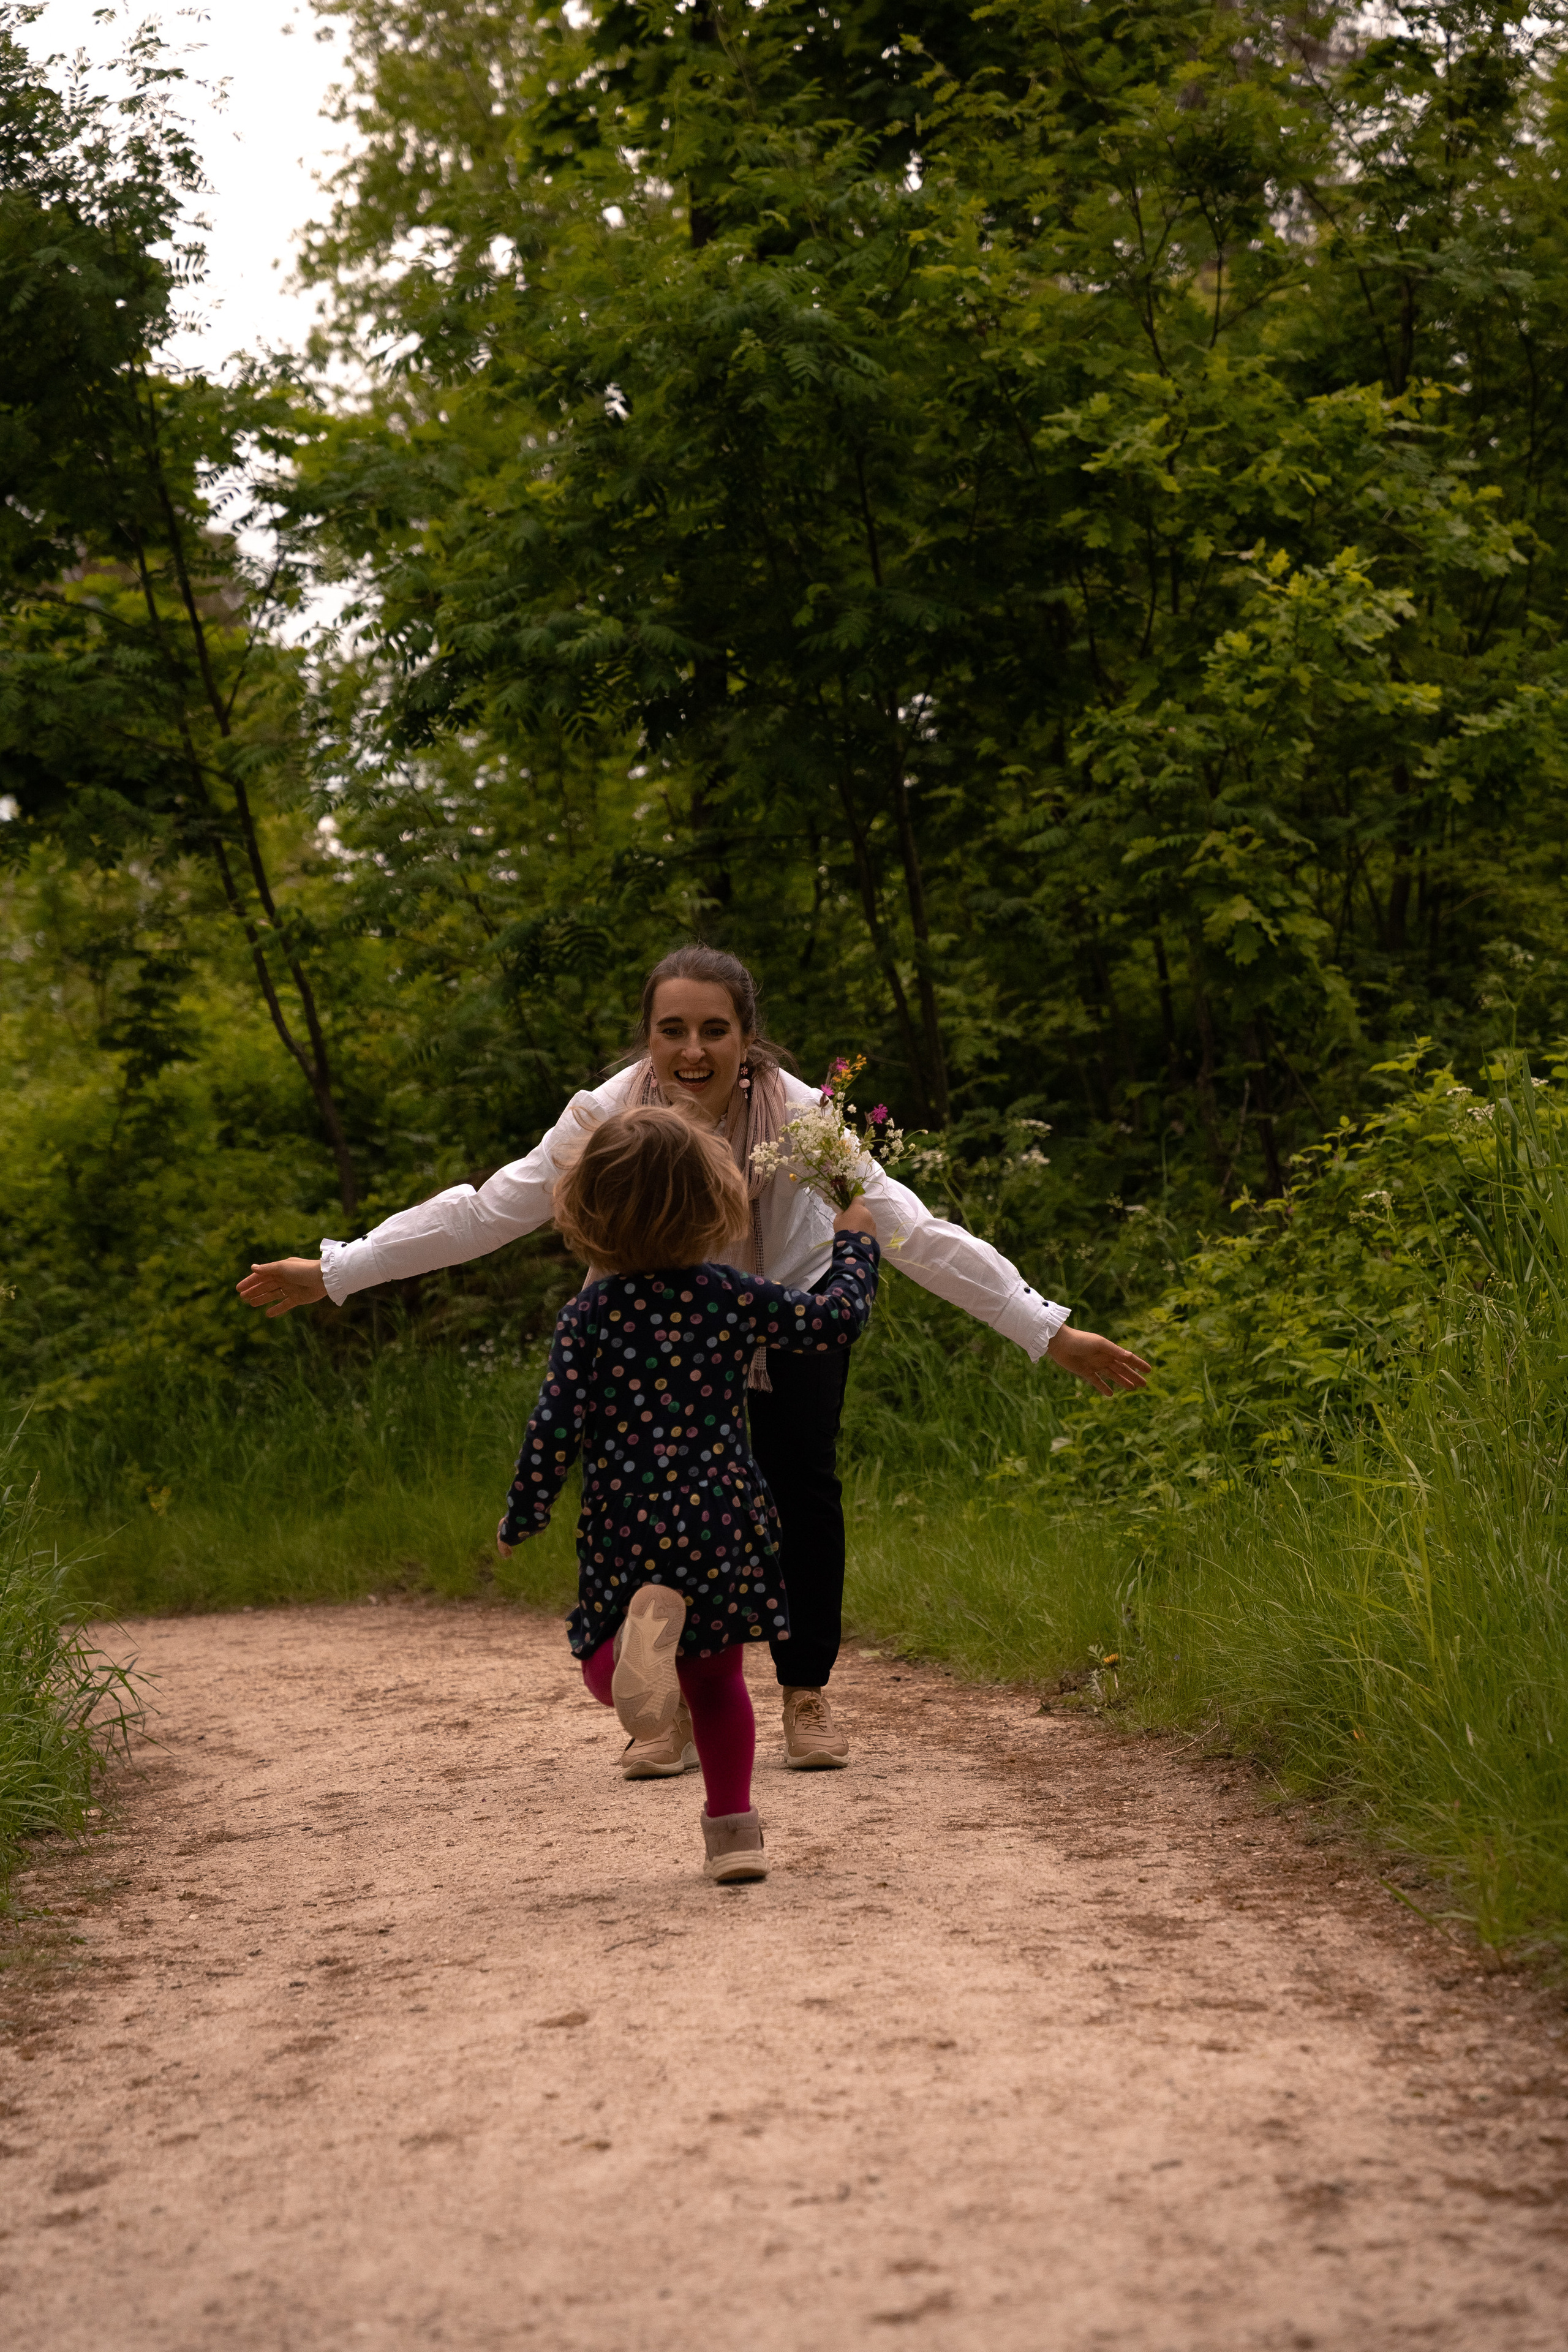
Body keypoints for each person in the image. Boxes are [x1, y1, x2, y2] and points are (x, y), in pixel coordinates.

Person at [236, 944, 1150, 1772]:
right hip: (645, 1324)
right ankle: (660, 1712)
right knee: (642, 1499)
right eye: (672, 1030)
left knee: (801, 1491)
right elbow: (486, 1210)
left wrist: (1046, 1329)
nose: (694, 1050)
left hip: (786, 1309)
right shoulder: (604, 1113)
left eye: (715, 1030)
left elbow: (910, 1228)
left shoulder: (803, 1118)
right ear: (648, 1035)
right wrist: (338, 1270)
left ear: (750, 1038)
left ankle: (805, 1693)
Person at [495, 1101, 879, 1882]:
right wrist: (855, 1244)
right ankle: (735, 1835)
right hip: (721, 1513)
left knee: (612, 1662)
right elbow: (834, 1321)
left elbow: (554, 1425)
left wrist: (525, 1511)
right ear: (715, 1204)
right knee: (717, 1680)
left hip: (625, 1518)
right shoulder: (731, 1295)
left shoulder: (590, 1315)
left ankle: (629, 1664)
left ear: (589, 1211)